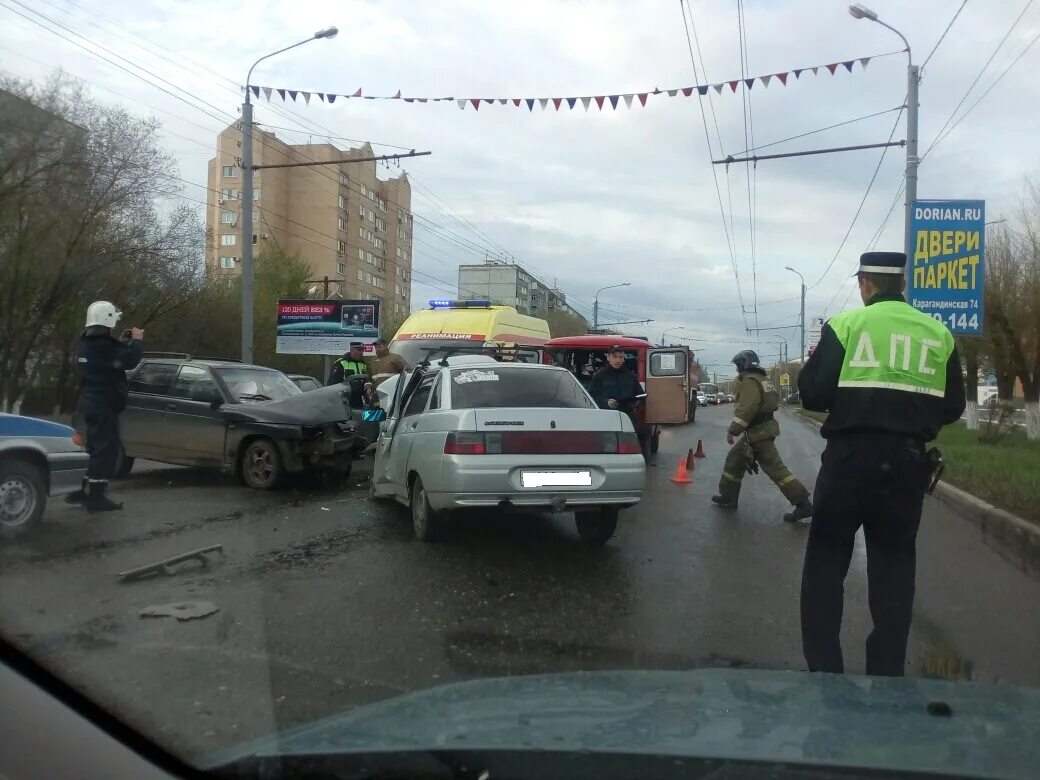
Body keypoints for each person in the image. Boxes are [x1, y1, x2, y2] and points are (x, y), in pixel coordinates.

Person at [797, 251, 965, 676]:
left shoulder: (847, 325)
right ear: (902, 286)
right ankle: (887, 673)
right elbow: (953, 408)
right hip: (907, 464)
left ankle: (824, 672)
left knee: (825, 562)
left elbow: (813, 394)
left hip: (848, 460)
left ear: (865, 284)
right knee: (894, 567)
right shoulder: (938, 334)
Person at [711, 350, 814, 522]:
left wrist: (733, 430)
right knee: (734, 461)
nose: (737, 370)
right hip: (760, 430)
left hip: (759, 432)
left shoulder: (750, 381)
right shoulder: (763, 380)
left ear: (743, 365)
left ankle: (803, 504)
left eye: (738, 366)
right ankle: (728, 497)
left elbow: (747, 408)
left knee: (776, 469)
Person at [73, 301, 143, 512]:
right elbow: (128, 360)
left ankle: (78, 490)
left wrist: (122, 342)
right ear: (107, 319)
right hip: (104, 404)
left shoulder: (85, 342)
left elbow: (112, 356)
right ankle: (96, 498)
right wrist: (137, 342)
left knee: (93, 448)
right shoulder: (103, 345)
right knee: (105, 451)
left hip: (90, 401)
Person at [589, 345, 641, 422]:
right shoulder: (600, 375)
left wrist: (634, 403)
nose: (618, 360)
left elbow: (639, 394)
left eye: (620, 357)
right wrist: (606, 402)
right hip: (606, 417)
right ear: (608, 358)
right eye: (615, 357)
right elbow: (591, 397)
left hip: (627, 417)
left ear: (623, 359)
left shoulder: (629, 375)